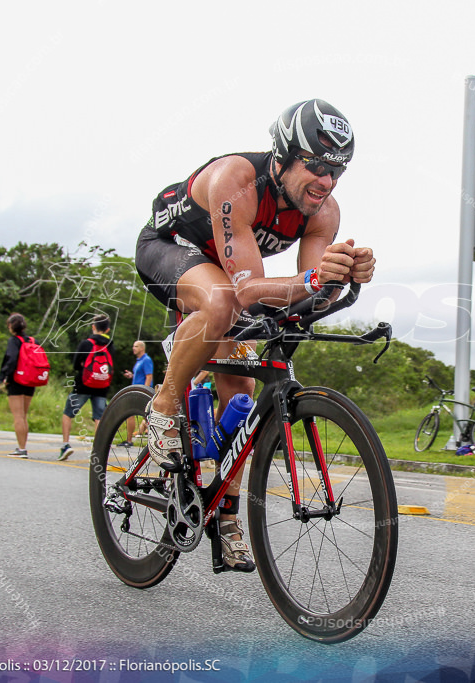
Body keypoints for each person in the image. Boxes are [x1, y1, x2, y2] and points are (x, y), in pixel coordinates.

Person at [134, 99, 375, 571]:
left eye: (337, 171)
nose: (326, 181)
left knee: (242, 392)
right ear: (283, 157)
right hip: (171, 249)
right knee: (222, 302)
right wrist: (312, 281)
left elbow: (309, 294)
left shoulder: (324, 212)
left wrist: (340, 276)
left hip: (225, 270)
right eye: (318, 165)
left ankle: (225, 516)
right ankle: (163, 404)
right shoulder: (236, 180)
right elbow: (245, 289)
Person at [58, 314, 115, 461]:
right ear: (107, 329)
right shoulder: (110, 344)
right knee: (99, 418)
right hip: (102, 386)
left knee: (68, 413)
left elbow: (76, 364)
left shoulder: (86, 343)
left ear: (93, 326)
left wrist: (84, 367)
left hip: (83, 384)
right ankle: (97, 452)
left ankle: (65, 445)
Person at [0, 313, 34, 458]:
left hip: (17, 380)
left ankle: (22, 448)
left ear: (11, 326)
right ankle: (23, 446)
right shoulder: (32, 340)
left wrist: (5, 377)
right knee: (24, 416)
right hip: (31, 380)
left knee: (18, 416)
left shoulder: (14, 341)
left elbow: (11, 359)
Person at [121, 340, 154, 448]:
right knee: (137, 416)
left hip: (141, 392)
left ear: (142, 348)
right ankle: (129, 440)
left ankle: (154, 442)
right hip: (136, 391)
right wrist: (132, 375)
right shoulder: (139, 360)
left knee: (145, 417)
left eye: (135, 346)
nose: (133, 348)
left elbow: (149, 376)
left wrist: (145, 391)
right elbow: (140, 375)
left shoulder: (146, 360)